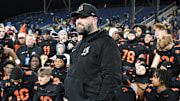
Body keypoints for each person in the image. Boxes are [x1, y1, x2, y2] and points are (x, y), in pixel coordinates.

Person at [64, 3, 123, 101]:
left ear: (94, 20)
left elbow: (111, 78)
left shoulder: (106, 42)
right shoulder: (79, 45)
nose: (78, 21)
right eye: (77, 18)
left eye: (83, 17)